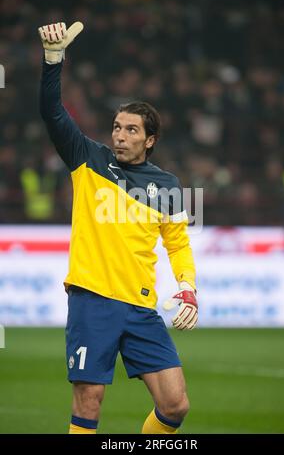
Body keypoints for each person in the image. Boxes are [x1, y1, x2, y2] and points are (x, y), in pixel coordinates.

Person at [39, 22, 198, 435]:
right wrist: (53, 60)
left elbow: (177, 244)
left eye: (131, 130)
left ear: (150, 140)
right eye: (117, 127)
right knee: (89, 401)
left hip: (141, 306)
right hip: (93, 300)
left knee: (176, 404)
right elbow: (53, 114)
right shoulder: (88, 159)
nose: (121, 136)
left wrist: (188, 287)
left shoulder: (167, 185)